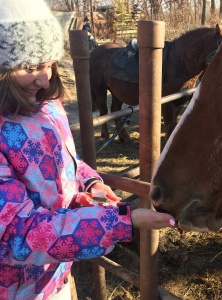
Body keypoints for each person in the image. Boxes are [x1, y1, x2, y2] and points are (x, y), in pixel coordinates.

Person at [0, 1, 176, 299]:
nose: (44, 80)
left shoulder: (47, 107)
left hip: (57, 275)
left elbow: (70, 159)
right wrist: (122, 222)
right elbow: (17, 233)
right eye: (29, 67)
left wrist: (91, 183)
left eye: (48, 64)